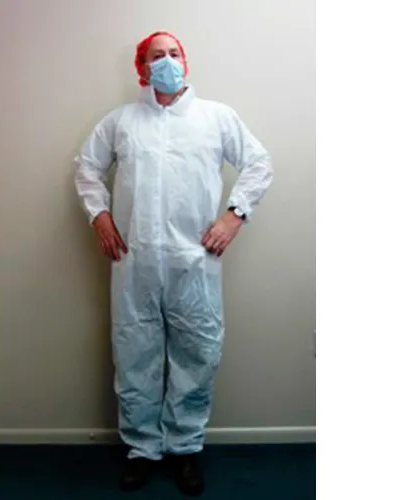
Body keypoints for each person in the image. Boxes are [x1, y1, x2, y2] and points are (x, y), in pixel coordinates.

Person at [74, 31, 273, 496]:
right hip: (135, 260)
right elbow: (86, 167)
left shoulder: (216, 118)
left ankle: (185, 448)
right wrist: (99, 216)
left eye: (173, 53)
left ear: (186, 60)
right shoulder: (123, 122)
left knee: (197, 355)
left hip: (195, 260)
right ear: (142, 68)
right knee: (134, 353)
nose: (166, 61)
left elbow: (259, 164)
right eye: (156, 55)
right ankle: (142, 449)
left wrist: (234, 217)